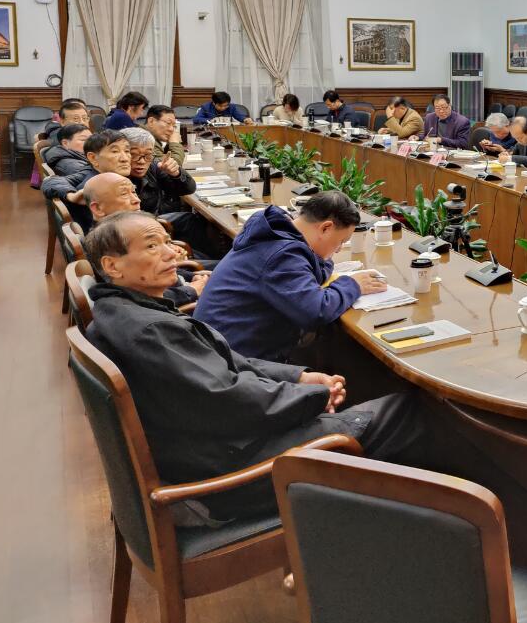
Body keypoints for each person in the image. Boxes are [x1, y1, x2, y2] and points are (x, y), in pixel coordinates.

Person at [84, 211, 425, 523]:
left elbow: (226, 363)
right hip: (227, 477)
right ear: (113, 266)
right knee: (412, 410)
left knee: (362, 398)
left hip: (210, 446)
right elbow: (227, 400)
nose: (172, 253)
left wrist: (299, 377)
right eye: (151, 246)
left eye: (166, 241)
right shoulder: (150, 330)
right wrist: (314, 398)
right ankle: (405, 533)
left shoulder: (120, 311)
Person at [194, 193, 389, 362]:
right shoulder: (282, 255)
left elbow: (315, 270)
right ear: (326, 228)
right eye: (341, 241)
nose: (338, 249)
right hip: (233, 363)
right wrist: (353, 285)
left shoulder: (278, 234)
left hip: (222, 348)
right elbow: (316, 311)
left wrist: (323, 260)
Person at [83, 173, 209, 305]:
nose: (137, 200)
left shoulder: (135, 232)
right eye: (124, 194)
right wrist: (190, 290)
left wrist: (196, 277)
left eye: (134, 191)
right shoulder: (104, 244)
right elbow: (138, 297)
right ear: (98, 208)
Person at [41, 129, 132, 229]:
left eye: (127, 151)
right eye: (115, 151)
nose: (125, 158)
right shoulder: (99, 191)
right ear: (93, 158)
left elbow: (51, 181)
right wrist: (72, 195)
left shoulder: (91, 173)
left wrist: (69, 194)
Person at [120, 127, 196, 216]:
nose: (142, 161)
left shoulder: (155, 166)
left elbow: (189, 189)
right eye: (134, 155)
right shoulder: (112, 176)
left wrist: (176, 173)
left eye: (148, 155)